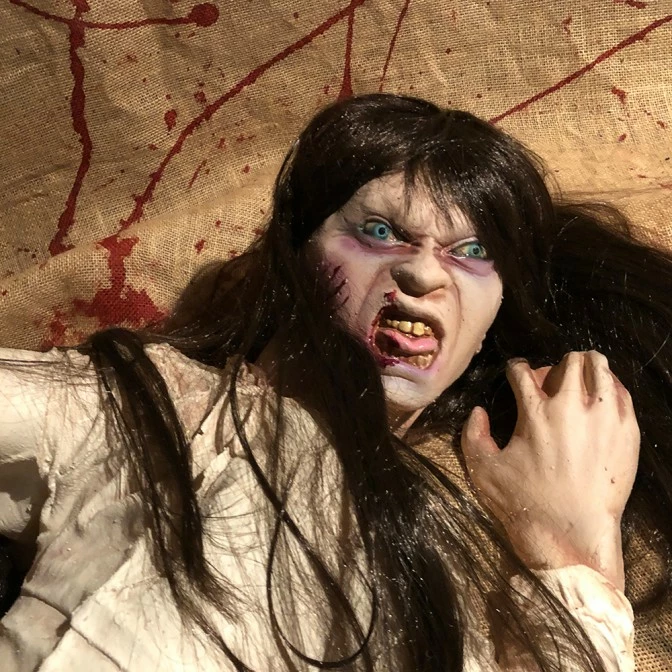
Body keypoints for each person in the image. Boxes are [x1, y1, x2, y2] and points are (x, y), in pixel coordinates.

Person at [0, 93, 670, 671]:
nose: (424, 274)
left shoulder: (444, 557)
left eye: (471, 253)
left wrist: (575, 549)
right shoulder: (152, 410)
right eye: (379, 231)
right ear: (295, 253)